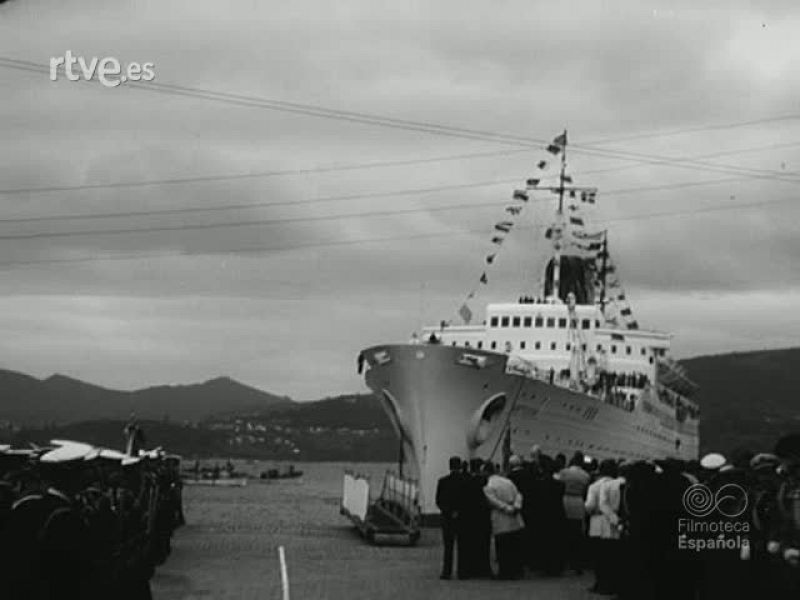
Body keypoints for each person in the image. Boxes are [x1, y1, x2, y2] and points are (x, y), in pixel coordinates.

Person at [585, 459, 623, 595]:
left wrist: (592, 511)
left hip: (597, 523)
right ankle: (612, 584)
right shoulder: (618, 485)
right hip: (613, 522)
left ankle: (600, 584)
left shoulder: (594, 486)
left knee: (598, 557)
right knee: (612, 556)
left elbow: (589, 506)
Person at [483, 462, 525, 579]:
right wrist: (516, 506)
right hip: (516, 518)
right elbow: (519, 494)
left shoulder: (488, 486)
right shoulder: (507, 481)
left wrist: (507, 508)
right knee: (515, 545)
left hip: (500, 518)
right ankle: (517, 570)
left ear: (486, 472)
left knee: (502, 547)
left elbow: (494, 502)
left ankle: (505, 572)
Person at [556, 451, 591, 574]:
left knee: (565, 531)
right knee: (577, 532)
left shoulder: (564, 472)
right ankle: (577, 563)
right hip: (578, 501)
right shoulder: (585, 475)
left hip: (565, 500)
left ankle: (565, 560)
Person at [436, 457, 465, 580]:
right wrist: (459, 511)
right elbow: (468, 500)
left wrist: (448, 511)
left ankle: (446, 572)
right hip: (462, 518)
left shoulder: (443, 481)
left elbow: (438, 500)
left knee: (448, 547)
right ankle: (462, 572)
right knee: (462, 546)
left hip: (447, 518)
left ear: (449, 467)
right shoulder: (465, 481)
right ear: (460, 467)